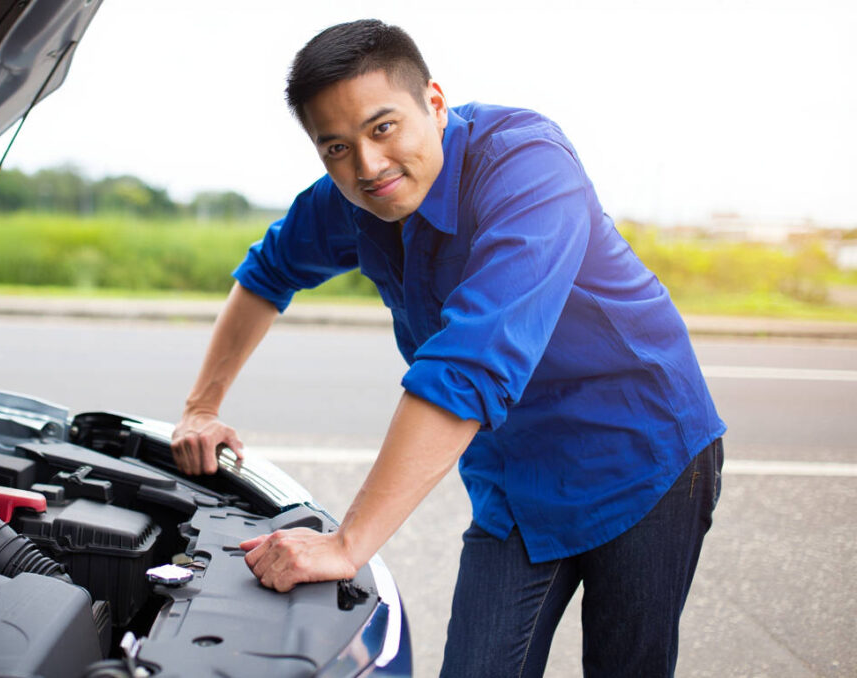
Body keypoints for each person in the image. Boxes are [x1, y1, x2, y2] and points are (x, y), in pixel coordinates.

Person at [170, 18, 725, 678]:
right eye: (336, 148)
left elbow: (470, 365)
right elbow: (266, 274)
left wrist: (348, 544)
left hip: (641, 458)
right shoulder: (350, 201)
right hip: (514, 482)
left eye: (383, 128)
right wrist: (201, 407)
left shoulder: (527, 166)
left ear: (433, 103)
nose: (367, 166)